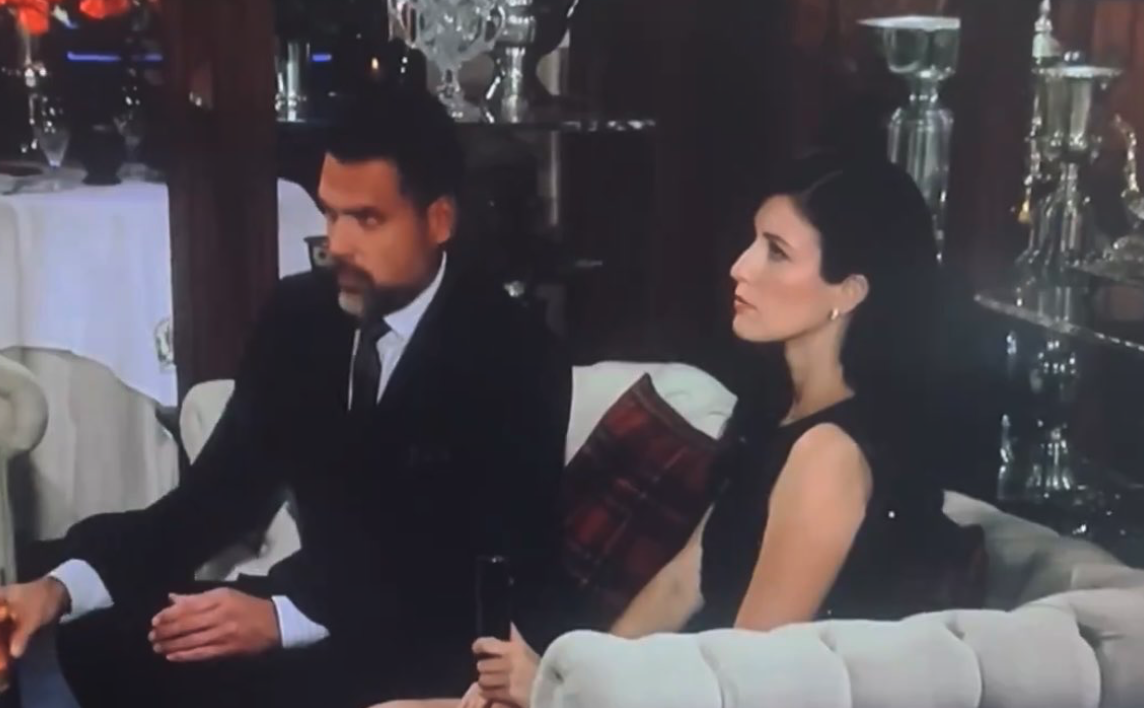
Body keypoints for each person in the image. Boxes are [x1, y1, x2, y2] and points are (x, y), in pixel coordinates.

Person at [0, 84, 575, 708]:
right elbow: (212, 500)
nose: (338, 244)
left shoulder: (514, 353)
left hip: (441, 645)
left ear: (439, 220)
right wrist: (59, 587)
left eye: (367, 219)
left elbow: (468, 569)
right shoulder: (301, 319)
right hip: (319, 617)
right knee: (99, 640)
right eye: (330, 214)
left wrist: (281, 616)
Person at [446, 152, 979, 708]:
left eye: (776, 252)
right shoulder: (774, 416)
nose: (741, 267)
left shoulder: (829, 454)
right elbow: (681, 583)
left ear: (849, 291)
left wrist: (552, 694)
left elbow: (748, 679)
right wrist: (571, 681)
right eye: (754, 241)